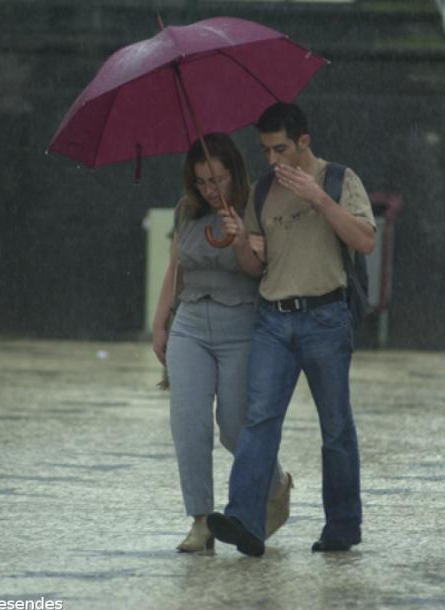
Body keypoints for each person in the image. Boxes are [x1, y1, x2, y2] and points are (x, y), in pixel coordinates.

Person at [205, 102, 376, 557]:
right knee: (259, 420)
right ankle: (245, 518)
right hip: (273, 319)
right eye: (265, 151)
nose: (273, 160)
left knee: (336, 426)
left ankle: (342, 525)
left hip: (326, 316)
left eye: (281, 148)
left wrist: (317, 198)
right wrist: (241, 237)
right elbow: (252, 266)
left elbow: (365, 240)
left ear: (304, 141)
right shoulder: (262, 191)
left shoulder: (340, 179)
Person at [151, 133, 293, 553]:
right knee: (188, 423)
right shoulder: (186, 211)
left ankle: (276, 486)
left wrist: (243, 239)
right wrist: (160, 322)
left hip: (241, 325)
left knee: (235, 428)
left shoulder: (256, 206)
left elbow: (266, 269)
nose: (211, 190)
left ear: (235, 172)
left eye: (218, 179)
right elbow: (176, 268)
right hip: (191, 323)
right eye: (201, 182)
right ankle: (201, 521)